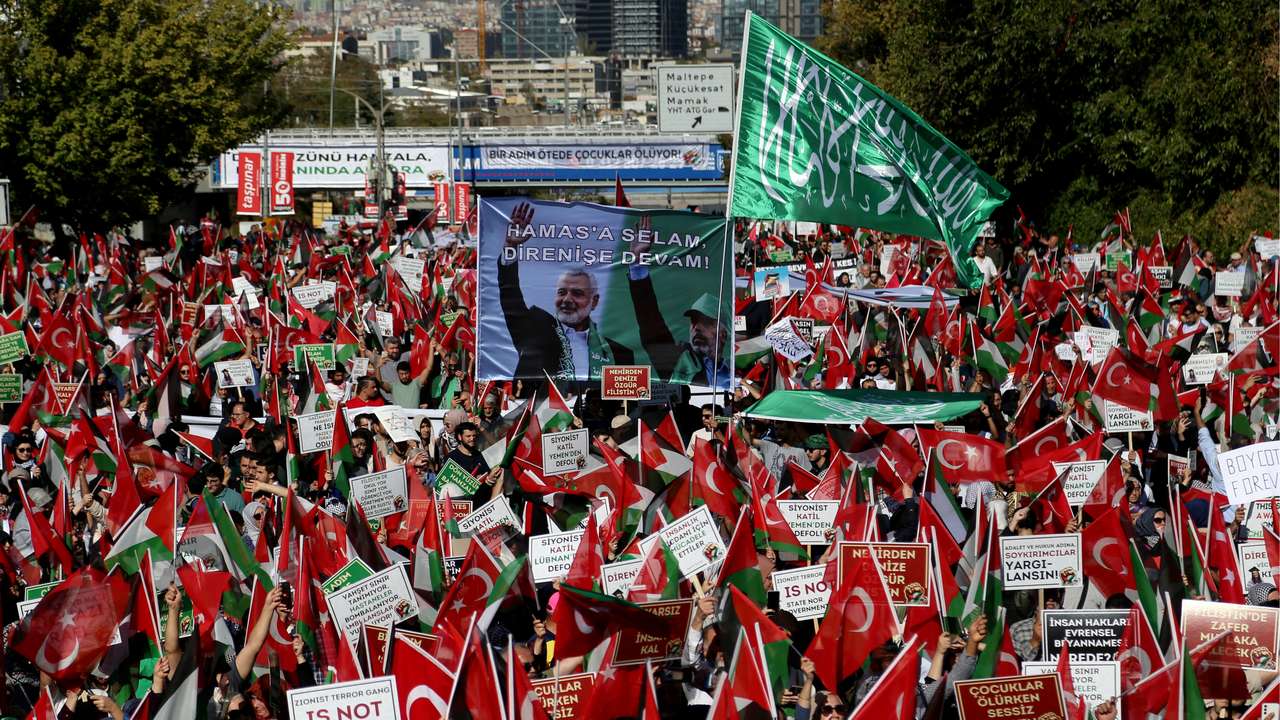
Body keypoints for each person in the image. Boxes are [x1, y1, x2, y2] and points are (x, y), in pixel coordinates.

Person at [498, 202, 633, 380]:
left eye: (577, 293)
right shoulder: (535, 327)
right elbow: (510, 296)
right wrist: (510, 247)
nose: (567, 299)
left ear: (594, 301)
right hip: (542, 407)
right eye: (562, 292)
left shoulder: (618, 353)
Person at [444, 421, 503, 505]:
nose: (472, 439)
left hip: (481, 505)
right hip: (462, 507)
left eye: (474, 436)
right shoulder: (451, 458)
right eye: (468, 436)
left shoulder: (481, 456)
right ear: (460, 437)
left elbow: (498, 448)